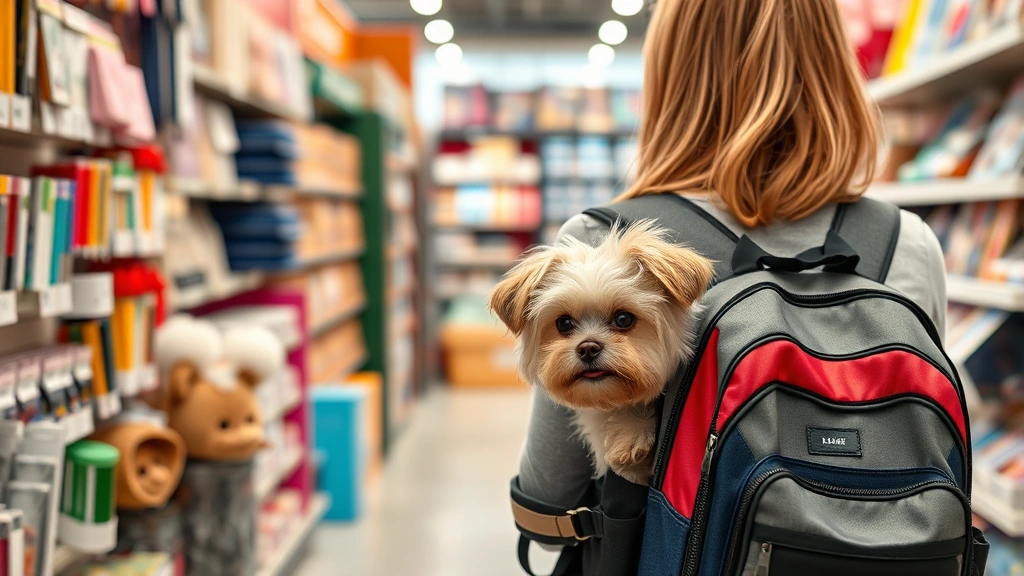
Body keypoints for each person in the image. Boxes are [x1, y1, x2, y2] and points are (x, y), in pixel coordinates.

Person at [517, 0, 946, 543]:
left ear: (671, 75)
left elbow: (547, 500)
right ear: (834, 71)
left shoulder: (601, 239)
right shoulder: (909, 242)